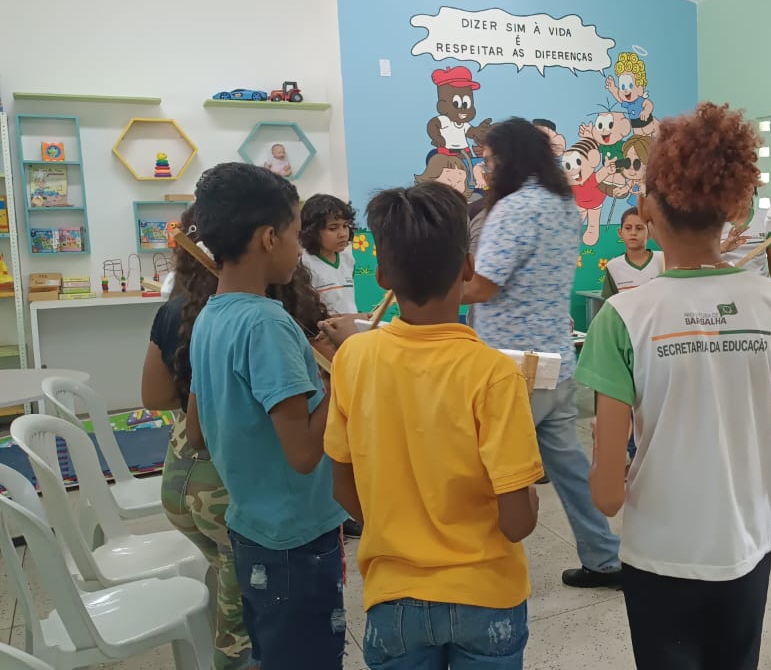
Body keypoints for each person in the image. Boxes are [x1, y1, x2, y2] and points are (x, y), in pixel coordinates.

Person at [576, 102, 771, 670]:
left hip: (658, 556)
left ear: (646, 208)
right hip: (744, 550)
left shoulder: (622, 317)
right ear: (736, 209)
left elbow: (607, 495)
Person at [324, 183, 542, 669]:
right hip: (487, 596)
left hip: (392, 598)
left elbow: (341, 482)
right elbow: (517, 523)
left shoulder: (353, 358)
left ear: (381, 273)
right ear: (468, 268)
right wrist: (529, 495)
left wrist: (393, 523)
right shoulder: (494, 373)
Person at [186, 163, 348, 670]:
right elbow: (302, 454)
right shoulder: (268, 322)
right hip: (297, 537)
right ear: (268, 237)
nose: (300, 248)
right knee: (309, 656)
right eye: (298, 235)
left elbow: (196, 433)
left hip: (251, 526)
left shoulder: (210, 314)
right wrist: (343, 375)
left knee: (274, 650)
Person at [460, 117, 622, 588]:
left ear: (508, 158)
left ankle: (481, 567)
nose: (485, 169)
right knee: (569, 466)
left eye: (489, 160)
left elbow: (484, 287)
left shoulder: (511, 210)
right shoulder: (563, 204)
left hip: (511, 369)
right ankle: (604, 557)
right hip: (555, 359)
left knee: (490, 472)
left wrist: (431, 291)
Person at [300, 194, 357, 316]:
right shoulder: (304, 263)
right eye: (333, 228)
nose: (342, 234)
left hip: (350, 330)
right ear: (312, 231)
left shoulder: (348, 260)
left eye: (345, 226)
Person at [721, 189, 771, 278]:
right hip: (724, 285)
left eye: (747, 186)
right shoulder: (711, 223)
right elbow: (696, 262)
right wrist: (722, 248)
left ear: (754, 189)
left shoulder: (766, 220)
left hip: (758, 286)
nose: (742, 191)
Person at [603, 207, 664, 299]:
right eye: (628, 228)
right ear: (620, 233)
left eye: (639, 228)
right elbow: (610, 303)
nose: (633, 233)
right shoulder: (613, 267)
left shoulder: (663, 259)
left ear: (649, 233)